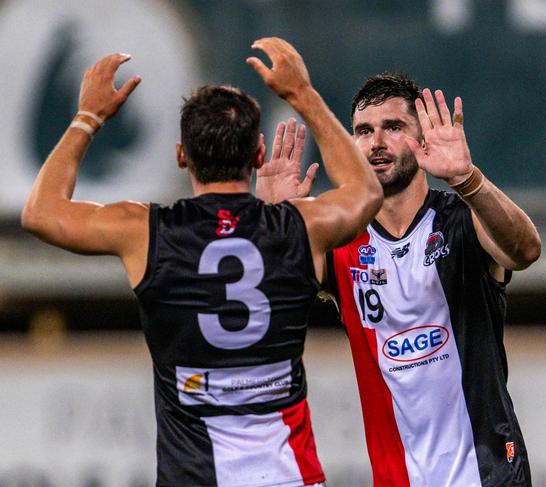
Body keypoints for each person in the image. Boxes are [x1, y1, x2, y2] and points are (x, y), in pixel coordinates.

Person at [21, 38, 382, 487]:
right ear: (256, 156)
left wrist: (87, 118)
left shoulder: (145, 231)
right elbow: (365, 192)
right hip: (290, 476)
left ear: (181, 156)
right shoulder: (298, 227)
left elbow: (40, 212)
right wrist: (301, 95)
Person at [258, 73, 541, 486]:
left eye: (393, 128)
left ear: (422, 140)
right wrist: (272, 229)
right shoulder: (342, 239)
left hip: (488, 473)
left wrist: (467, 179)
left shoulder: (462, 219)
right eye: (363, 131)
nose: (376, 143)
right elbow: (269, 298)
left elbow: (525, 250)